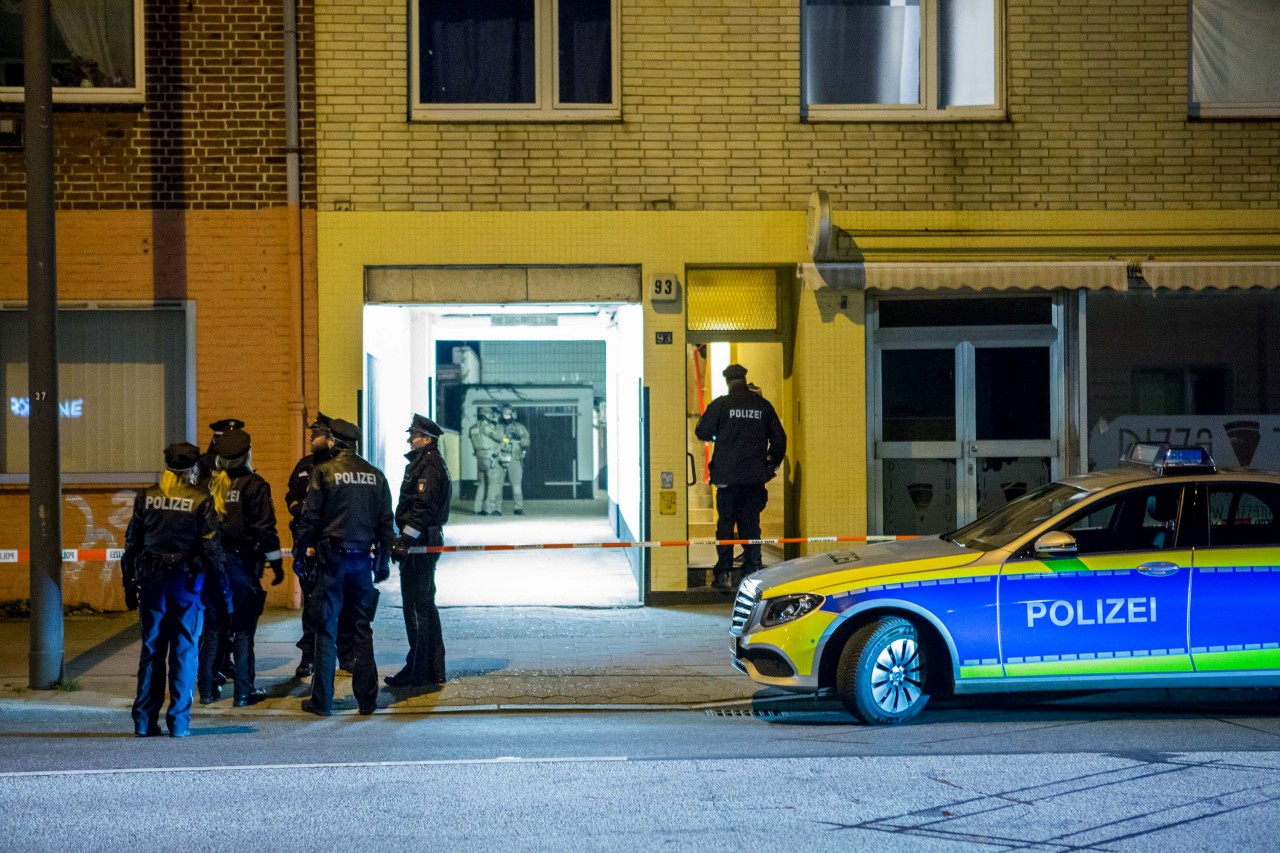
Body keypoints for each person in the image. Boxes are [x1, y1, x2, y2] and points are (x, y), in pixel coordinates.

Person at [121, 442, 226, 738]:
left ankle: (143, 722)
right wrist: (221, 587)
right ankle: (178, 723)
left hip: (152, 582)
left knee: (152, 650)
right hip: (186, 583)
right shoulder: (200, 498)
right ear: (193, 469)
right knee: (185, 651)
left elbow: (132, 542)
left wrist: (128, 581)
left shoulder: (147, 496)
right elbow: (211, 547)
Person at [294, 418, 395, 716]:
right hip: (362, 562)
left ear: (335, 442)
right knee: (362, 629)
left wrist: (300, 555)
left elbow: (310, 519)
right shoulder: (376, 476)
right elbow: (386, 525)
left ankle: (322, 701)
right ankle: (367, 700)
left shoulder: (324, 472)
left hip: (332, 562)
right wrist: (383, 562)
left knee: (326, 630)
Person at [200, 428, 283, 707]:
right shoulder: (254, 485)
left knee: (213, 627)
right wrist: (276, 562)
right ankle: (243, 693)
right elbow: (265, 529)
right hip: (242, 565)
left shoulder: (209, 486)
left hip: (212, 566)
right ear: (247, 454)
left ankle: (208, 690)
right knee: (244, 630)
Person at [694, 363, 787, 590]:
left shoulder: (721, 405)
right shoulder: (762, 406)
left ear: (728, 381)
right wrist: (770, 465)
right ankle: (752, 568)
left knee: (725, 524)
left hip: (727, 478)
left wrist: (721, 433)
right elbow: (780, 440)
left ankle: (723, 573)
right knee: (751, 524)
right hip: (754, 478)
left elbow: (702, 432)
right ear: (745, 379)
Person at [285, 412, 355, 678]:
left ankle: (346, 655)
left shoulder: (341, 469)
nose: (311, 438)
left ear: (330, 438)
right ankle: (309, 656)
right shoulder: (304, 466)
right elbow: (291, 495)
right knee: (312, 603)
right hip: (309, 544)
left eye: (316, 434)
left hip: (334, 545)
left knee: (343, 602)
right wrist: (298, 508)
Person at [386, 413, 452, 688]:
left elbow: (421, 509)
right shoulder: (428, 463)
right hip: (425, 539)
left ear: (426, 439)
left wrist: (404, 541)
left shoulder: (427, 466)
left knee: (416, 608)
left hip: (420, 542)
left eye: (413, 435)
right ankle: (434, 669)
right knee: (425, 606)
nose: (409, 440)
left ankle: (417, 671)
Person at [469, 406, 504, 516]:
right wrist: (496, 423)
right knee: (493, 483)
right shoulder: (486, 427)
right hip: (490, 457)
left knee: (482, 484)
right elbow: (500, 437)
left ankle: (477, 509)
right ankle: (489, 509)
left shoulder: (473, 428)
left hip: (479, 457)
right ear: (487, 415)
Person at [497, 405, 531, 515]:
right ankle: (496, 508)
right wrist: (506, 439)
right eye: (504, 414)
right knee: (498, 485)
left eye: (508, 414)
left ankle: (518, 507)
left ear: (513, 415)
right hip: (500, 458)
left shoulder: (520, 427)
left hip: (515, 458)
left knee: (516, 485)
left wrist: (520, 439)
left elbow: (527, 441)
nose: (506, 417)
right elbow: (495, 439)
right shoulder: (498, 427)